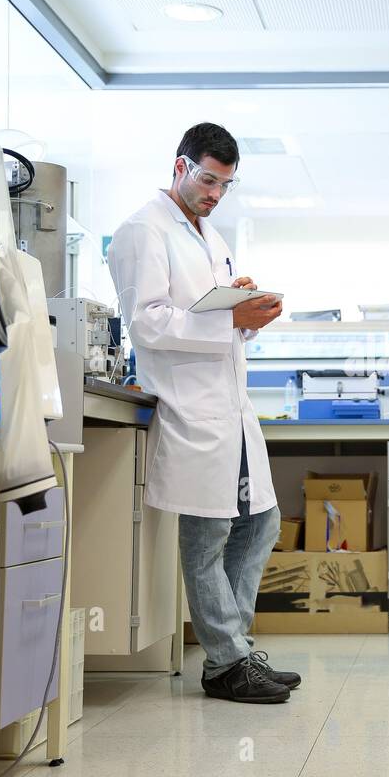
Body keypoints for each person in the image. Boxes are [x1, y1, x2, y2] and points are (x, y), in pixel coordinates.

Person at [107, 122, 299, 704]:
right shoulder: (143, 230)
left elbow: (208, 318)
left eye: (225, 184)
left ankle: (231, 654)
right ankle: (227, 661)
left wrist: (240, 302)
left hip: (230, 407)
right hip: (189, 405)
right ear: (180, 165)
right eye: (208, 179)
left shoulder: (210, 235)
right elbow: (147, 322)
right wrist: (228, 320)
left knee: (261, 523)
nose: (215, 193)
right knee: (209, 533)